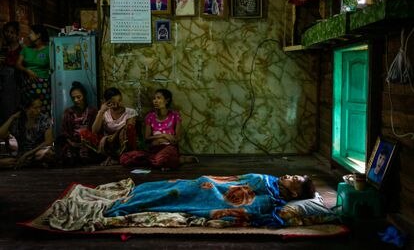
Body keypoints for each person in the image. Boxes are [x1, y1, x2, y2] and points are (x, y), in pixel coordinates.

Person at [48, 173, 316, 231]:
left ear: (294, 193)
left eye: (296, 179)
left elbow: (247, 208)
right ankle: (134, 197)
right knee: (174, 187)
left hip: (210, 196)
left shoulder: (271, 202)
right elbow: (233, 179)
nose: (290, 175)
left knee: (175, 198)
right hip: (207, 185)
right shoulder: (267, 179)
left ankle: (124, 206)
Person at [120, 89, 195, 170]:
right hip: (154, 150)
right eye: (154, 98)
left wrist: (166, 140)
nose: (155, 101)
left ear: (166, 101)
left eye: (158, 98)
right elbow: (147, 138)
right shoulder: (150, 117)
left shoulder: (175, 116)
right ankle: (172, 160)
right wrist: (164, 135)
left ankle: (165, 160)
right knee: (125, 158)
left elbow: (176, 138)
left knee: (162, 159)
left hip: (169, 149)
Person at [81, 87, 138, 166]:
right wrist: (101, 112)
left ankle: (119, 157)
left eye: (119, 101)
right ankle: (111, 157)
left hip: (122, 144)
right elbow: (94, 131)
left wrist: (114, 137)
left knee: (128, 129)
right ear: (107, 102)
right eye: (113, 103)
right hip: (107, 144)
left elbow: (129, 128)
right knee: (84, 133)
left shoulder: (130, 112)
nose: (117, 105)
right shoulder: (105, 113)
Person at [0, 95, 54, 169]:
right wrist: (12, 117)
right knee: (4, 161)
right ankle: (26, 163)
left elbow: (49, 141)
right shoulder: (18, 121)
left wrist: (27, 155)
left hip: (36, 152)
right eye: (35, 108)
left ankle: (28, 163)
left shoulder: (44, 119)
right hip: (21, 154)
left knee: (47, 153)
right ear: (26, 109)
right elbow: (1, 134)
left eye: (40, 107)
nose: (39, 110)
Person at [57, 81, 98, 166]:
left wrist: (88, 140)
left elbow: (96, 130)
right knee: (68, 157)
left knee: (86, 156)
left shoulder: (92, 111)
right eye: (73, 98)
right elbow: (64, 131)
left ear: (84, 96)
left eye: (79, 97)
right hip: (72, 143)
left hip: (88, 143)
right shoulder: (68, 112)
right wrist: (71, 143)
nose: (76, 100)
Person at [15, 24, 51, 114]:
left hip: (43, 86)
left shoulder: (49, 50)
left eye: (31, 33)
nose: (28, 35)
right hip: (28, 86)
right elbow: (18, 64)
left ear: (38, 35)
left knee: (43, 110)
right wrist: (27, 70)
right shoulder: (26, 50)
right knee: (28, 111)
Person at [0, 21, 22, 125]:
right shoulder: (3, 48)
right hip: (3, 85)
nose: (9, 34)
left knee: (14, 110)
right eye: (7, 31)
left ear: (17, 34)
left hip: (16, 84)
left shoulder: (22, 49)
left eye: (12, 32)